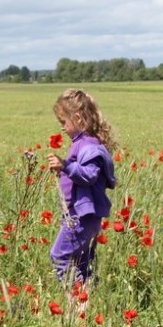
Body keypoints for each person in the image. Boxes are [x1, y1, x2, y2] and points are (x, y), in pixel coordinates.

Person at [46, 89, 117, 287]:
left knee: (60, 257)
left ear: (77, 118)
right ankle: (87, 306)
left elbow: (90, 175)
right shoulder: (81, 143)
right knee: (81, 264)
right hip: (80, 216)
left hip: (81, 218)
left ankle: (77, 303)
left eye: (63, 122)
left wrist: (65, 166)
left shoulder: (89, 146)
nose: (62, 128)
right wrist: (64, 171)